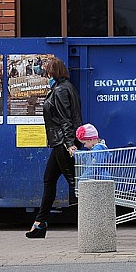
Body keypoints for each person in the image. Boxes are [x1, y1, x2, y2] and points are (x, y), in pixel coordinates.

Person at [26, 56, 83, 239]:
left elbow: (66, 120)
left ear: (54, 72)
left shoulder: (60, 91)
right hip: (60, 143)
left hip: (63, 143)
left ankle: (95, 222)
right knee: (49, 179)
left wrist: (69, 144)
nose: (46, 76)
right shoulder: (66, 88)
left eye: (48, 72)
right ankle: (40, 223)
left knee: (75, 185)